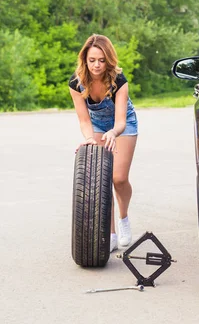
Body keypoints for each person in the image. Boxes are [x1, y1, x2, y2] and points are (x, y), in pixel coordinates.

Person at [68, 34, 138, 252]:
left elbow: (120, 121)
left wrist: (113, 133)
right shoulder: (76, 82)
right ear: (85, 60)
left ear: (108, 60)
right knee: (101, 181)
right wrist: (89, 138)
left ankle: (124, 218)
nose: (96, 65)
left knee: (118, 178)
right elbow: (83, 119)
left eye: (101, 60)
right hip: (97, 126)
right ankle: (110, 233)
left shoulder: (119, 81)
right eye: (92, 60)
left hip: (122, 125)